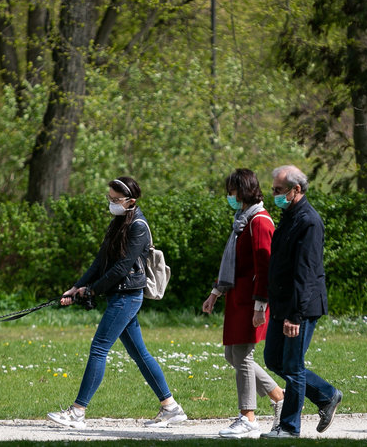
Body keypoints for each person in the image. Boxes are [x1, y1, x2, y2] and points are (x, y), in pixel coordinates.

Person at [47, 176, 188, 430]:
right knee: (139, 353)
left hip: (127, 296)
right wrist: (77, 286)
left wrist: (92, 290)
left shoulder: (139, 226)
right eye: (109, 198)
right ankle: (171, 408)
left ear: (131, 201)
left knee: (99, 348)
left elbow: (123, 267)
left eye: (116, 200)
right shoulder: (119, 222)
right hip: (119, 296)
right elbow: (101, 260)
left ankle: (78, 412)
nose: (111, 203)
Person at [202, 168, 285, 437]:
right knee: (232, 355)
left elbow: (265, 267)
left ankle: (248, 417)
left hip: (252, 301)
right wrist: (216, 292)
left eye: (232, 191)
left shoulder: (259, 221)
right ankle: (278, 394)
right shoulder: (242, 220)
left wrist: (260, 306)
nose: (230, 196)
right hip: (238, 299)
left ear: (244, 190)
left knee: (244, 356)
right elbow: (233, 264)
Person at [262, 165, 343, 438]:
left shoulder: (309, 221)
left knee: (293, 366)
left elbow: (305, 274)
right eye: (273, 189)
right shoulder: (289, 215)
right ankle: (326, 395)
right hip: (282, 303)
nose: (273, 194)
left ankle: (289, 428)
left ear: (296, 190)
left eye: (278, 190)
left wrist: (294, 316)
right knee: (274, 359)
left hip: (301, 307)